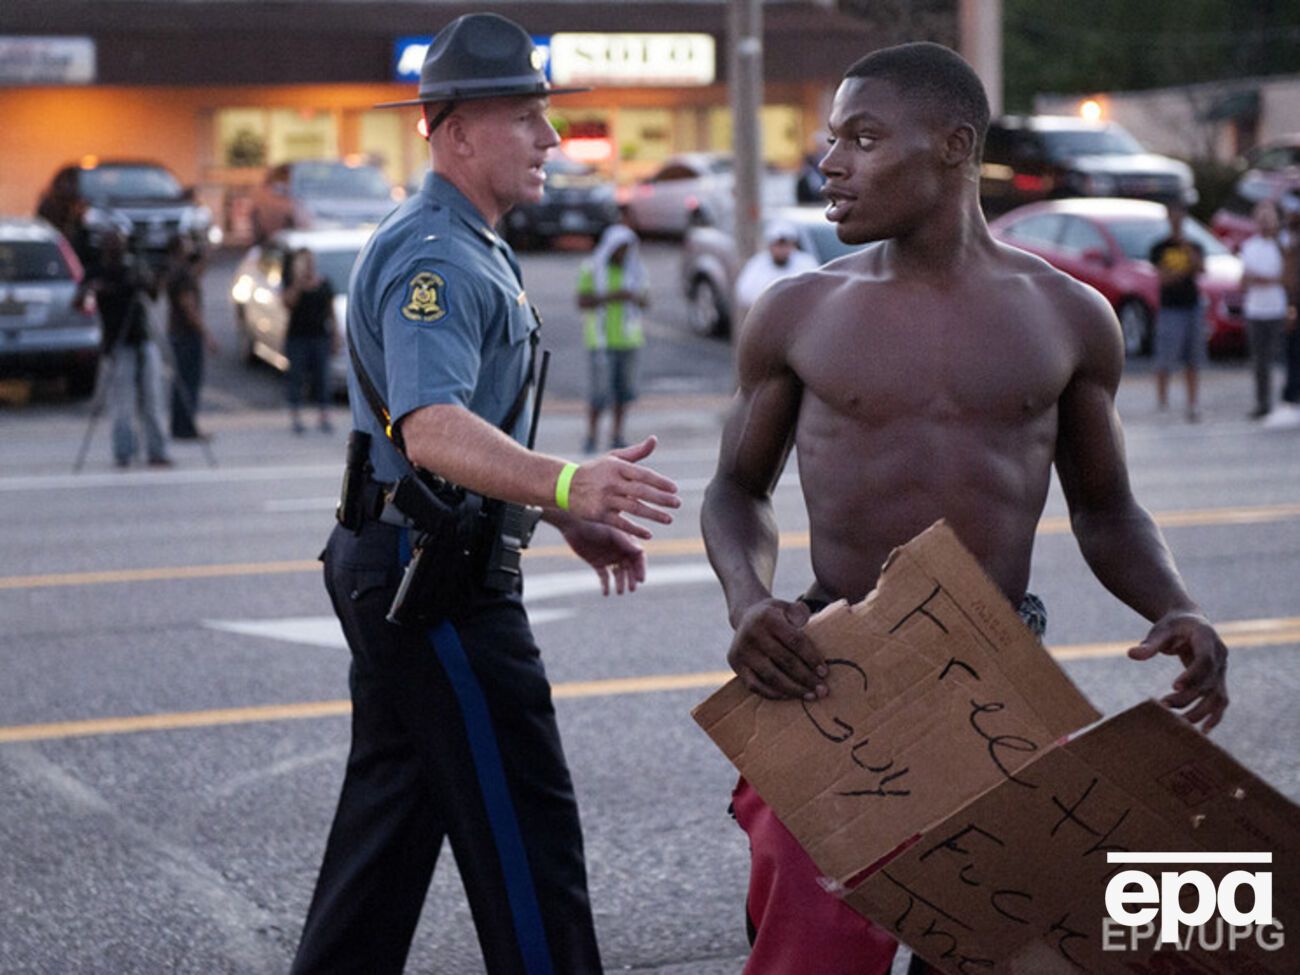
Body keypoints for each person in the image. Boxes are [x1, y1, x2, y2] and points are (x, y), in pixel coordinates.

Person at [700, 42, 1230, 975]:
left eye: (862, 138)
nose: (830, 163)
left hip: (1000, 674)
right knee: (812, 946)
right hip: (834, 669)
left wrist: (1174, 606)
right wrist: (749, 601)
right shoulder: (798, 312)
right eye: (832, 139)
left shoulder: (1068, 316)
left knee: (1023, 945)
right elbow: (736, 491)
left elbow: (1107, 510)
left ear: (953, 146)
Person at [291, 14, 680, 975]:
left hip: (411, 557)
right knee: (524, 828)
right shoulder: (438, 258)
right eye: (528, 118)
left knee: (387, 829)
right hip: (436, 581)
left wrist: (556, 511)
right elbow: (430, 426)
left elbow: (449, 433)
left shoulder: (468, 241)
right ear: (456, 130)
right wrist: (565, 479)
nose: (552, 139)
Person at [77, 231, 172, 468]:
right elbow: (77, 301)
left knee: (152, 398)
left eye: (120, 245)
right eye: (112, 246)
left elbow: (153, 294)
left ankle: (157, 451)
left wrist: (149, 279)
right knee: (122, 402)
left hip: (142, 338)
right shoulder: (97, 272)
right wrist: (94, 289)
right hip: (117, 343)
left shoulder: (134, 268)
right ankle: (123, 452)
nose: (117, 251)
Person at [577, 223, 648, 453]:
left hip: (629, 339)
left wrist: (635, 298)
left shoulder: (636, 270)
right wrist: (614, 296)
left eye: (627, 249)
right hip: (601, 339)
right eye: (620, 249)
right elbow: (583, 301)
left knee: (623, 393)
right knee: (599, 394)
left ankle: (617, 434)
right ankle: (591, 436)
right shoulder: (592, 268)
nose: (623, 254)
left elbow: (646, 300)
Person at [1149, 202, 1207, 421]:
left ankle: (1193, 404)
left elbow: (1201, 269)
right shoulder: (1160, 248)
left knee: (1193, 359)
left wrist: (1187, 253)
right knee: (1165, 357)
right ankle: (1162, 403)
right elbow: (1164, 279)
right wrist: (1184, 271)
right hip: (1170, 308)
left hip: (1192, 306)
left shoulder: (1193, 246)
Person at [1238, 199, 1289, 419]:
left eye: (1269, 218)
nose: (1266, 223)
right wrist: (1264, 279)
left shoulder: (1284, 245)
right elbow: (1245, 279)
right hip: (1256, 310)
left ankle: (1288, 398)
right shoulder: (1249, 246)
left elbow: (1285, 278)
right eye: (1261, 219)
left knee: (1284, 358)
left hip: (1278, 308)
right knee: (1260, 362)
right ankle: (1263, 403)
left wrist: (1265, 279)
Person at [164, 234, 216, 440]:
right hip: (186, 335)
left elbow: (196, 275)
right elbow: (189, 308)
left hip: (177, 334)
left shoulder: (176, 272)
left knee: (181, 383)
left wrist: (206, 256)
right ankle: (186, 427)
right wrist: (207, 334)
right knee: (188, 383)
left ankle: (180, 426)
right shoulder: (182, 275)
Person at [282, 247, 338, 434]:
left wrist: (335, 336)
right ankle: (296, 414)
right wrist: (298, 283)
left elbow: (331, 312)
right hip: (298, 337)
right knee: (297, 377)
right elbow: (288, 304)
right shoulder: (293, 284)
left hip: (319, 336)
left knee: (322, 377)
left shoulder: (324, 284)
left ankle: (324, 414)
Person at [732, 220, 820, 327]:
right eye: (778, 245)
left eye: (786, 245)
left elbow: (815, 290)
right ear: (770, 246)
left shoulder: (806, 263)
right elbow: (744, 293)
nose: (782, 250)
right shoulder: (758, 264)